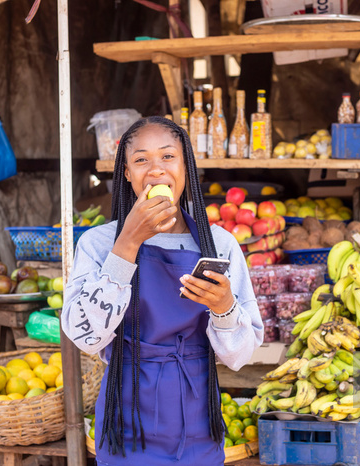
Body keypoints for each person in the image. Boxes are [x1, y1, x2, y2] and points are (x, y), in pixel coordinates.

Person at [61, 116, 263, 465]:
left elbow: (239, 356)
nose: (155, 170)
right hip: (127, 422)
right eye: (141, 160)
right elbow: (85, 336)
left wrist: (225, 307)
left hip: (198, 418)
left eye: (168, 157)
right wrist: (127, 244)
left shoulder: (220, 245)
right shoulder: (98, 243)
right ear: (126, 173)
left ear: (187, 167)